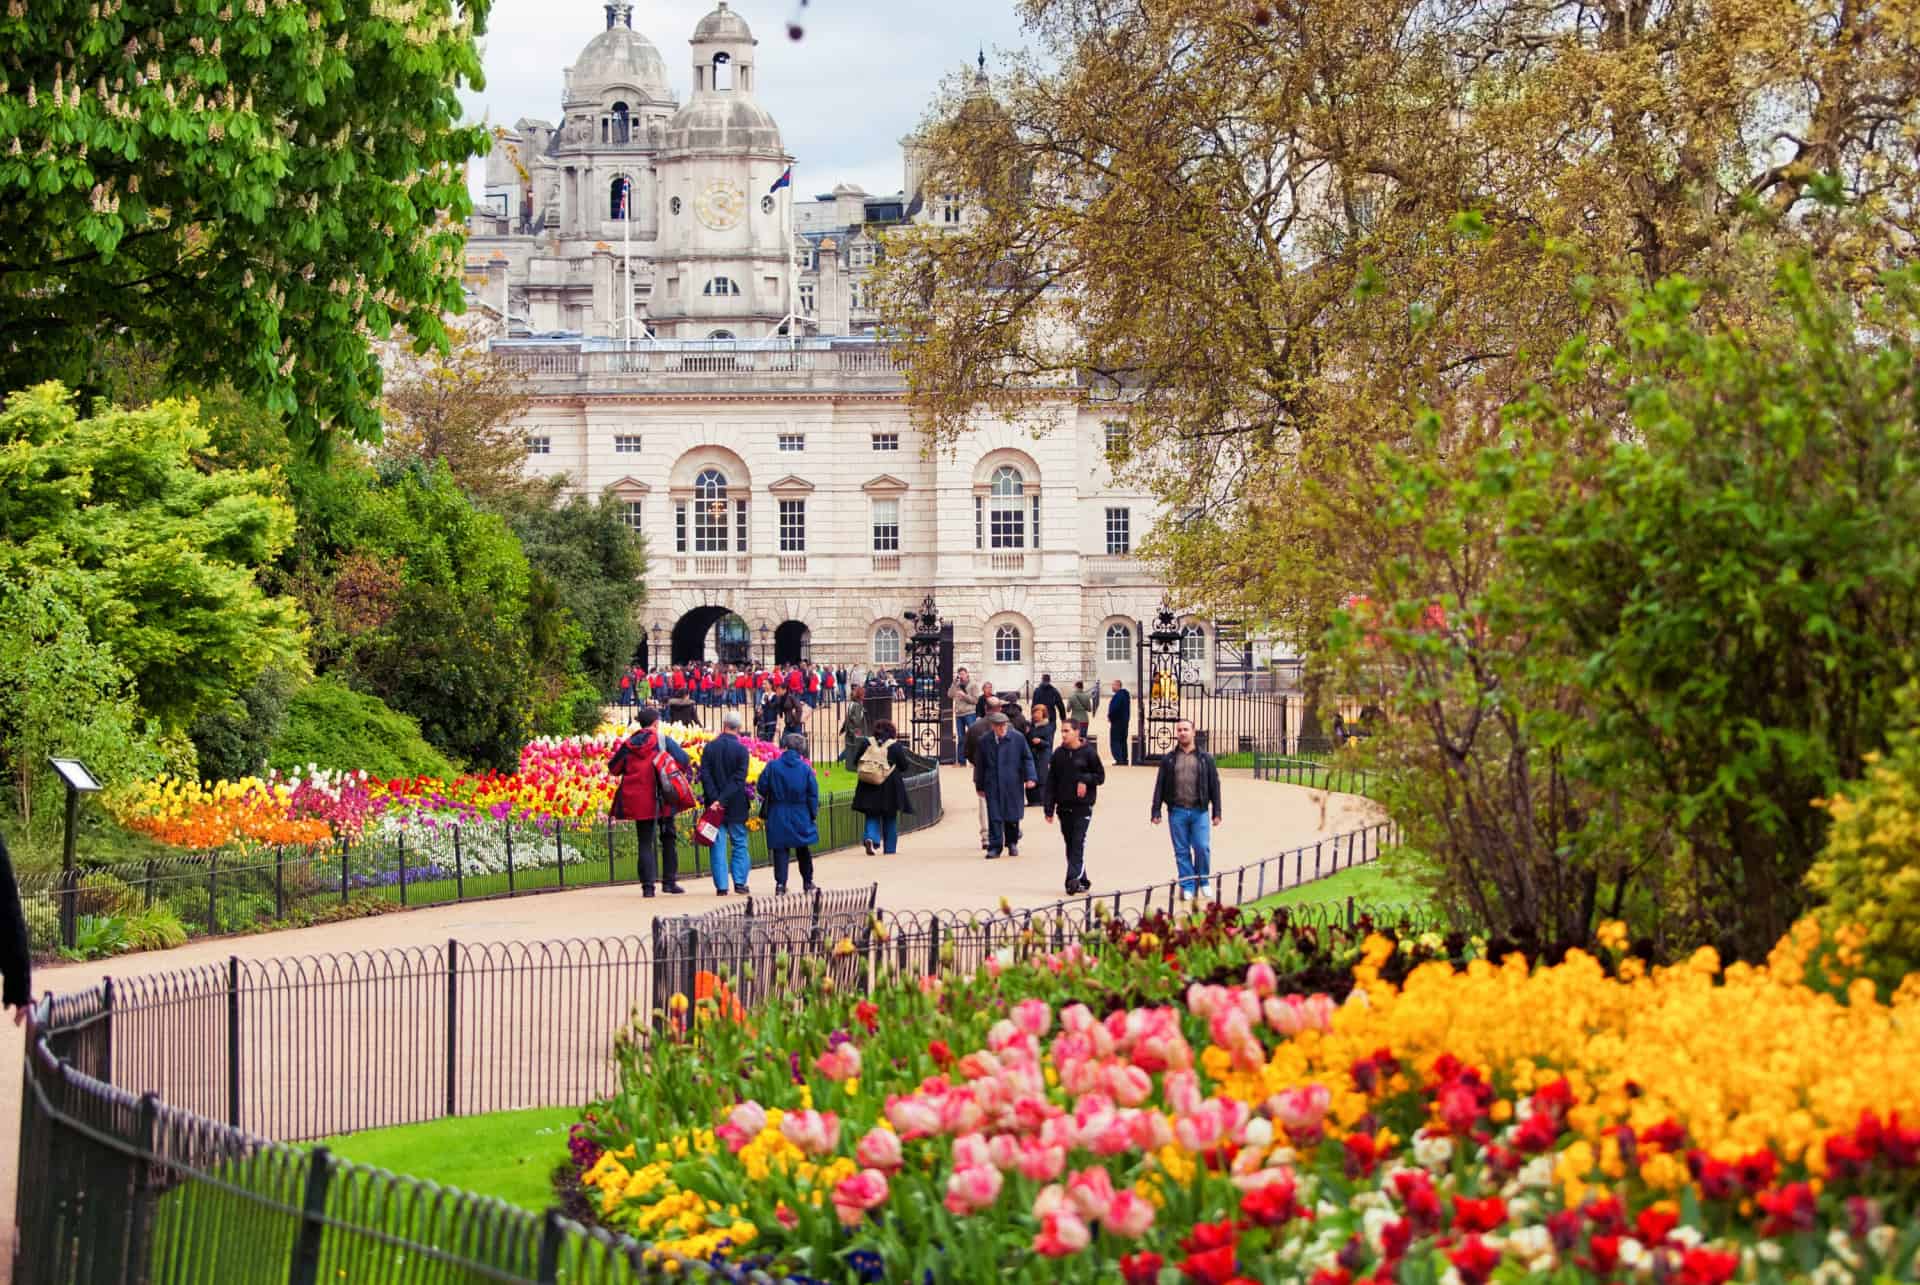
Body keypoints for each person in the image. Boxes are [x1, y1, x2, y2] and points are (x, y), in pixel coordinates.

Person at [607, 706, 691, 897]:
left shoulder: (629, 744)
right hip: (663, 796)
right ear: (655, 723)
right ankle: (669, 882)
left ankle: (648, 887)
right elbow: (684, 760)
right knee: (668, 838)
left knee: (645, 842)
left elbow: (614, 768)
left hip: (639, 800)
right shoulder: (662, 741)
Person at [1150, 718, 1224, 900]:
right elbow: (1160, 785)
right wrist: (1156, 810)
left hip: (1200, 811)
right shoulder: (1169, 759)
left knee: (1202, 847)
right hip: (1177, 811)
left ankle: (1203, 880)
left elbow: (1215, 785)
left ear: (1193, 732)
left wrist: (1217, 812)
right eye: (1180, 730)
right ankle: (1188, 884)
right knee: (1181, 851)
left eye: (1186, 729)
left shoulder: (1206, 759)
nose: (1182, 732)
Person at [1044, 722, 1105, 894]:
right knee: (1070, 844)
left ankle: (1072, 879)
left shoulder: (1089, 753)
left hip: (1082, 806)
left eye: (1067, 731)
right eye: (1062, 731)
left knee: (1078, 842)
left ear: (1077, 732)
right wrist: (1049, 807)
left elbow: (1100, 776)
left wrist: (1085, 779)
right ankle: (1082, 880)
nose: (1063, 734)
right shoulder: (1058, 754)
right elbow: (1051, 782)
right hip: (1064, 807)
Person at [698, 712, 754, 895]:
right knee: (739, 841)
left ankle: (722, 886)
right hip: (735, 802)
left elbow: (705, 776)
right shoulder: (741, 750)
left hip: (714, 805)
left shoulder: (710, 748)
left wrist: (715, 800)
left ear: (724, 725)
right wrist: (723, 799)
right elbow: (739, 779)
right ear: (737, 728)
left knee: (718, 843)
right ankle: (739, 882)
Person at [760, 733, 820, 894]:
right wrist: (812, 814)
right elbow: (813, 794)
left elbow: (762, 787)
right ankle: (808, 882)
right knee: (803, 849)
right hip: (800, 811)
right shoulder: (805, 769)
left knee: (780, 849)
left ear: (784, 747)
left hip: (778, 810)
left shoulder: (773, 766)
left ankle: (780, 884)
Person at [973, 711, 1036, 859]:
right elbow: (980, 765)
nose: (1002, 729)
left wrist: (1030, 777)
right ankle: (995, 847)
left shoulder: (1018, 739)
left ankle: (1012, 842)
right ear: (992, 726)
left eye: (1004, 726)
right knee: (994, 815)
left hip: (1012, 782)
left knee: (1012, 816)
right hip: (992, 783)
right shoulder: (984, 741)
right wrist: (980, 786)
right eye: (999, 726)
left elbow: (1027, 758)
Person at [850, 719, 914, 854]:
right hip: (889, 786)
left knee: (871, 815)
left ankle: (870, 838)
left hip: (868, 784)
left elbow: (856, 761)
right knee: (890, 818)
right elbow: (904, 766)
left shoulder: (867, 743)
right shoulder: (895, 746)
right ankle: (890, 850)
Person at [963, 697, 1001, 850]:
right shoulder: (1006, 726)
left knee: (984, 803)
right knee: (1003, 801)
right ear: (999, 709)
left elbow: (967, 752)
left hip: (982, 770)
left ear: (985, 709)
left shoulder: (974, 727)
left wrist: (977, 763)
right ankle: (1002, 832)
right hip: (1003, 769)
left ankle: (986, 835)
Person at [1026, 702, 1057, 808]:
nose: (1036, 715)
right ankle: (1032, 800)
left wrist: (1040, 742)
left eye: (1039, 713)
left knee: (1042, 777)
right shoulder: (1030, 726)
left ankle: (1042, 800)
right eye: (1035, 712)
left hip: (1043, 754)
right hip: (1032, 753)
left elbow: (1049, 743)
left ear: (1044, 714)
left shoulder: (1048, 727)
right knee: (1031, 775)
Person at [947, 667, 976, 763]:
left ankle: (974, 759)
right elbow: (950, 695)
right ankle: (961, 761)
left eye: (963, 674)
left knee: (972, 736)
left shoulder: (973, 685)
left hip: (970, 713)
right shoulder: (957, 685)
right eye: (960, 674)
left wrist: (964, 696)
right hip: (959, 714)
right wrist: (953, 684)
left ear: (967, 674)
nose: (961, 676)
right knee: (961, 738)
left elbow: (975, 700)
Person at [840, 685, 868, 771]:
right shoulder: (857, 705)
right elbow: (857, 720)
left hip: (850, 729)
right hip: (856, 730)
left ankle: (840, 759)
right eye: (863, 694)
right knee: (857, 747)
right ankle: (842, 759)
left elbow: (848, 717)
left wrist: (844, 728)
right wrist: (857, 731)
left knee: (851, 747)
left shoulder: (852, 704)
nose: (864, 696)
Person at [1107, 678, 1133, 767]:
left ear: (1118, 686)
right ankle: (1124, 759)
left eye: (1113, 685)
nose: (1112, 687)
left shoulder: (1118, 696)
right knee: (1123, 741)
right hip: (1124, 722)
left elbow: (1115, 709)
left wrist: (1110, 717)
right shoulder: (1125, 695)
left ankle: (1119, 759)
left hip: (1117, 722)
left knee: (1115, 741)